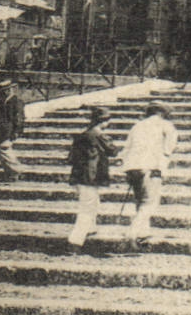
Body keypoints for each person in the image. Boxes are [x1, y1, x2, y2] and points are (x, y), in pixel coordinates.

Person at [120, 101, 178, 252]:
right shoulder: (166, 125)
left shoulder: (137, 126)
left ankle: (143, 235)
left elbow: (126, 148)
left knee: (140, 202)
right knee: (149, 203)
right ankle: (131, 235)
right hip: (151, 167)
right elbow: (168, 148)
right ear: (163, 113)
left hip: (132, 167)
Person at [68, 106, 118, 252]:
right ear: (103, 121)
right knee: (87, 208)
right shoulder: (98, 134)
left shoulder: (83, 135)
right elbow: (113, 150)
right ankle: (75, 241)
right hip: (90, 177)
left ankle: (90, 229)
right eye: (107, 120)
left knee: (93, 203)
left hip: (79, 176)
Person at [0, 77, 27, 181]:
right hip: (3, 131)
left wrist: (17, 131)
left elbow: (19, 118)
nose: (2, 94)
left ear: (9, 90)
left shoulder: (16, 101)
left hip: (10, 130)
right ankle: (11, 173)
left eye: (4, 91)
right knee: (2, 149)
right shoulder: (4, 101)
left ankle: (16, 170)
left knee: (3, 149)